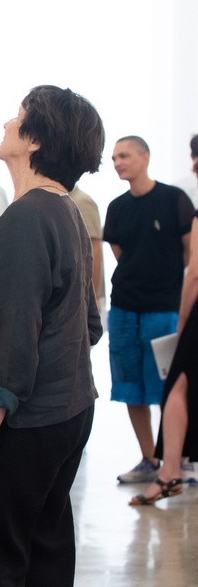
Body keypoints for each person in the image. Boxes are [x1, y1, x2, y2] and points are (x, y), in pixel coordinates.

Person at [0, 85, 105, 587]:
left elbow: (11, 345)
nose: (8, 124)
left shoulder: (28, 219)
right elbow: (89, 324)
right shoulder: (66, 212)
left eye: (18, 117)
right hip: (69, 411)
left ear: (35, 140)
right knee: (43, 553)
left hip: (27, 422)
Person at [104, 135, 194, 484]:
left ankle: (178, 459)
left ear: (145, 157)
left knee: (170, 389)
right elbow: (121, 254)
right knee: (131, 387)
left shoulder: (174, 199)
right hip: (125, 308)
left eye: (124, 155)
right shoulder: (117, 206)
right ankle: (148, 459)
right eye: (113, 158)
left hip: (164, 309)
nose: (117, 163)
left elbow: (188, 254)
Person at [130, 134, 198, 505]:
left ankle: (170, 470)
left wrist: (184, 316)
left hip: (185, 308)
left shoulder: (183, 204)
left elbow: (195, 273)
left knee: (177, 386)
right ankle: (170, 469)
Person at [69, 184, 106, 310]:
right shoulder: (61, 200)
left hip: (84, 296)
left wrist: (92, 296)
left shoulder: (81, 201)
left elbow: (94, 249)